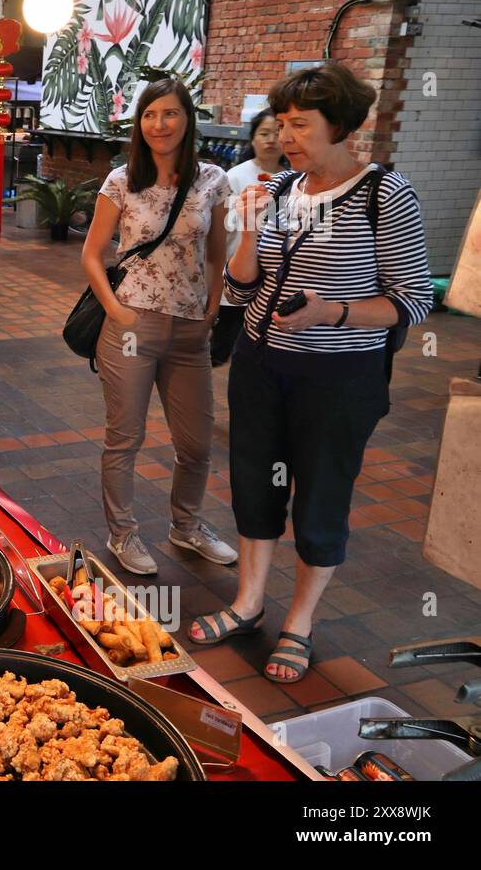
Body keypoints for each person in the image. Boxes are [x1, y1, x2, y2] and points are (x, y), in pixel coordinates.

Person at [189, 63, 432, 682]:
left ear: (342, 127)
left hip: (338, 379)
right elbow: (244, 291)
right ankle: (247, 603)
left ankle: (299, 622)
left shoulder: (384, 194)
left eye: (301, 125)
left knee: (322, 495)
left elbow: (412, 298)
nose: (285, 136)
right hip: (261, 365)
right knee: (255, 483)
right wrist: (245, 232)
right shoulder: (278, 191)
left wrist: (334, 312)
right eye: (281, 125)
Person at [80, 79, 237, 577]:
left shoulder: (213, 179)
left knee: (196, 443)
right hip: (131, 325)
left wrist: (213, 305)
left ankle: (187, 527)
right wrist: (117, 310)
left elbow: (216, 252)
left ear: (187, 120)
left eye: (170, 114)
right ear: (139, 122)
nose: (159, 124)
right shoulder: (122, 181)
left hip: (191, 330)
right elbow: (92, 253)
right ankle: (123, 532)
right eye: (150, 115)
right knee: (124, 438)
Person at [213, 110, 288, 366]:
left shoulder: (294, 180)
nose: (271, 140)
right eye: (264, 134)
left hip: (272, 279)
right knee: (222, 344)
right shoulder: (235, 176)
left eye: (277, 134)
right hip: (236, 273)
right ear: (253, 139)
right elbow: (224, 226)